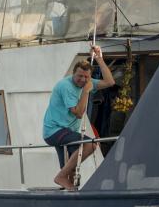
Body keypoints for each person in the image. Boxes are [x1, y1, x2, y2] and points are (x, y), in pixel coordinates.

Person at [42, 45, 115, 189]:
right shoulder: (66, 86)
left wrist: (99, 58)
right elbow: (79, 112)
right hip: (54, 131)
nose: (82, 79)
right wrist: (86, 92)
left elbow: (110, 82)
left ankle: (68, 188)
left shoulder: (88, 82)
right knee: (91, 144)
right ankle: (60, 177)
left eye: (86, 77)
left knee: (71, 172)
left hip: (68, 132)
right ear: (73, 73)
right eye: (79, 76)